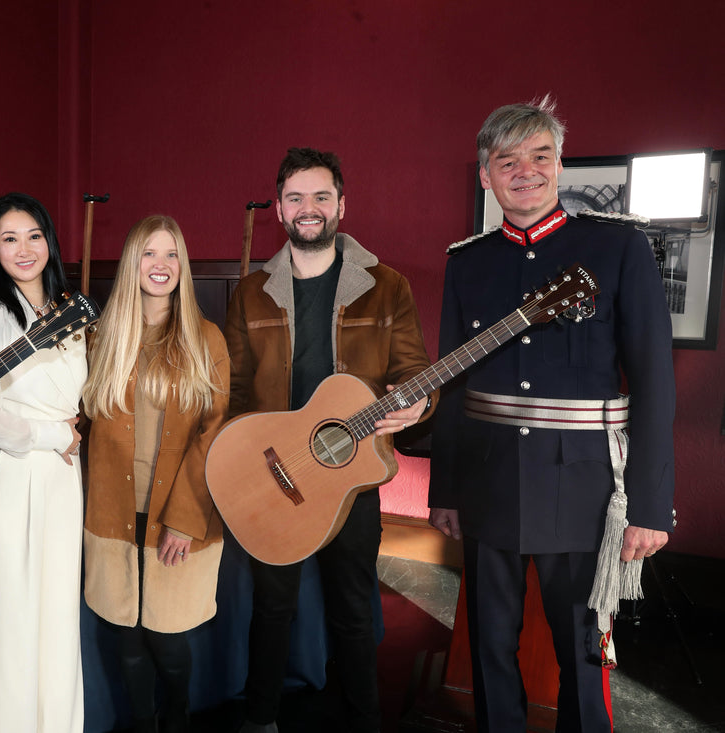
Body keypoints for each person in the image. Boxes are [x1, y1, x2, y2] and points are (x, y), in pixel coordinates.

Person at [428, 97, 676, 732]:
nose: (526, 171)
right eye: (507, 160)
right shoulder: (468, 262)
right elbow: (453, 386)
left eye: (541, 156)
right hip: (487, 485)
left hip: (583, 485)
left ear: (560, 163)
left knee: (582, 652)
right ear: (486, 175)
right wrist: (446, 491)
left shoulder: (617, 249)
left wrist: (649, 507)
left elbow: (653, 385)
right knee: (489, 649)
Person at [225, 148, 436, 733]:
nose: (308, 209)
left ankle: (363, 720)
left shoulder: (386, 287)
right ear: (279, 209)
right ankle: (259, 720)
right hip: (276, 474)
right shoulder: (249, 292)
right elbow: (236, 394)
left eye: (321, 197)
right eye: (295, 198)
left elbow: (416, 372)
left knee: (352, 610)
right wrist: (241, 467)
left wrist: (420, 401)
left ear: (343, 205)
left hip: (353, 475)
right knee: (272, 609)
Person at [82, 215, 230, 733]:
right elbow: (73, 413)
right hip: (112, 510)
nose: (160, 265)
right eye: (149, 253)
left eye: (171, 255)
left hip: (177, 511)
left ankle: (178, 721)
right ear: (132, 264)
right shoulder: (100, 336)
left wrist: (185, 519)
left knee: (166, 638)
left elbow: (214, 432)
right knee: (125, 637)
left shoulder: (205, 338)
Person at [0, 192, 86, 733]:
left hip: (63, 478)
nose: (24, 248)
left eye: (34, 235)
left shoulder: (72, 310)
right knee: (12, 625)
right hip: (10, 474)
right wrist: (55, 433)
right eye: (9, 238)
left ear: (49, 241)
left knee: (59, 622)